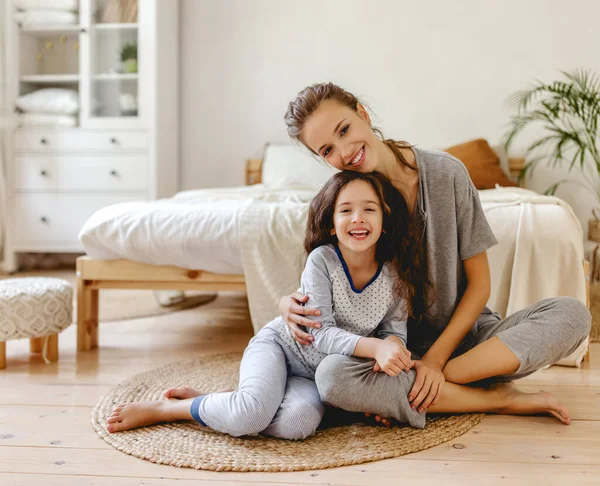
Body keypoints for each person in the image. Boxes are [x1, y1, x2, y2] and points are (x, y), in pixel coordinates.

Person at [280, 82, 591, 424]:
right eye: (327, 150)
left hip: (464, 341)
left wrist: (435, 364)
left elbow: (480, 285)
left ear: (363, 114)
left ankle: (428, 388)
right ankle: (495, 398)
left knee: (574, 314)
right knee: (332, 377)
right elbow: (329, 274)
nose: (344, 150)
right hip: (392, 356)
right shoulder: (345, 204)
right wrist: (288, 304)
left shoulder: (447, 173)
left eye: (344, 129)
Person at [107, 170, 432, 437]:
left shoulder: (394, 276)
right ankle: (172, 408)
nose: (357, 218)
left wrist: (391, 343)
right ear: (332, 224)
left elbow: (394, 331)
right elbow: (320, 334)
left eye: (369, 209)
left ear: (384, 220)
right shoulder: (322, 260)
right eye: (346, 209)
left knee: (298, 426)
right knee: (249, 416)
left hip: (316, 377)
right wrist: (375, 349)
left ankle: (229, 403)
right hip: (281, 348)